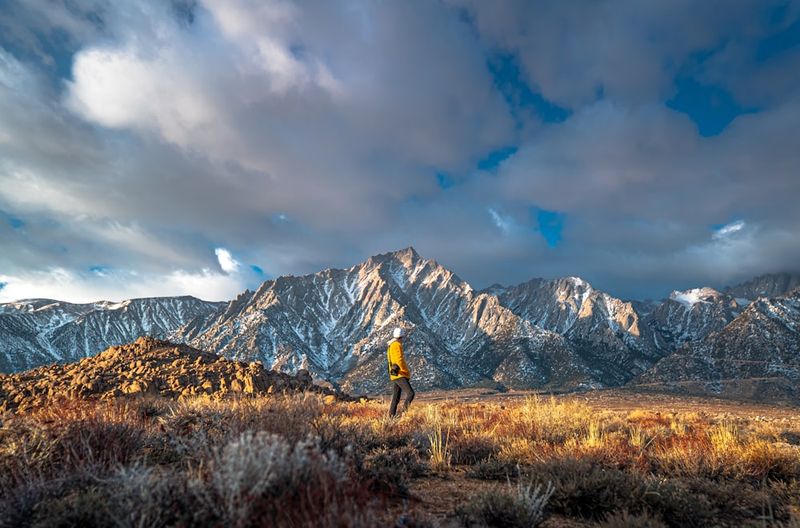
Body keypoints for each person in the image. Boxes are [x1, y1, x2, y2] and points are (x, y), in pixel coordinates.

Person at [387, 327, 414, 416]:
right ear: (401, 336)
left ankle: (391, 417)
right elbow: (399, 360)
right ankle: (403, 414)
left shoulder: (391, 345)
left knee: (396, 397)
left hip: (394, 374)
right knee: (410, 393)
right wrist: (405, 371)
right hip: (400, 374)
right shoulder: (397, 345)